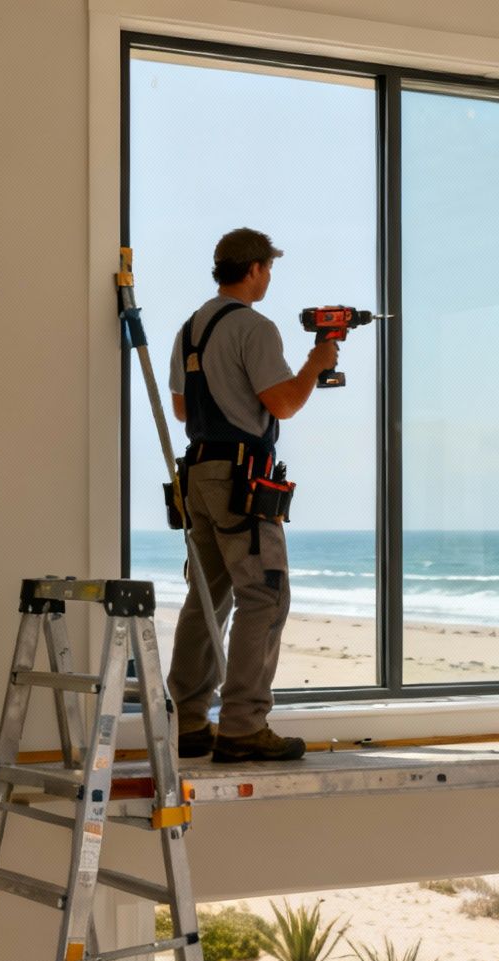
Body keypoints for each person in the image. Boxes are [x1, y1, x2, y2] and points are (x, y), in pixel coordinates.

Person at [166, 227, 339, 763]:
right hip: (240, 478)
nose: (269, 279)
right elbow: (284, 403)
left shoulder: (191, 328)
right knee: (264, 596)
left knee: (208, 597)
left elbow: (182, 411)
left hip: (197, 476)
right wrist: (315, 365)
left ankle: (190, 721)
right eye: (269, 270)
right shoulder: (255, 327)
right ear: (256, 268)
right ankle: (243, 725)